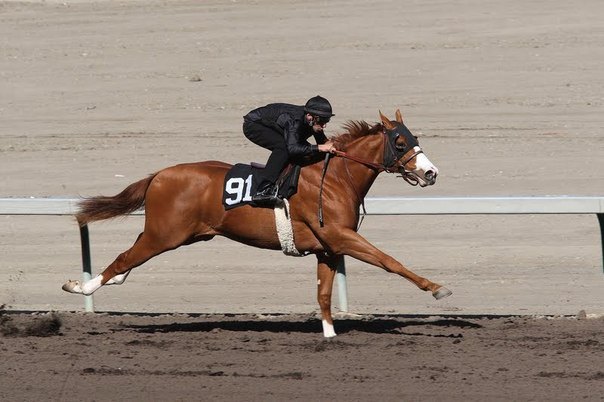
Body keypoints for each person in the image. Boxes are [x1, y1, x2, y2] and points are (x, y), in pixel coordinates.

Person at [243, 95, 337, 205]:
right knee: (283, 148)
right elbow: (293, 149)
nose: (324, 125)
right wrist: (320, 147)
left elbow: (322, 143)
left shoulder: (313, 121)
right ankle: (263, 189)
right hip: (254, 124)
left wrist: (330, 146)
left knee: (309, 151)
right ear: (309, 116)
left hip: (280, 128)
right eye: (322, 121)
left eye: (327, 120)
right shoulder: (294, 121)